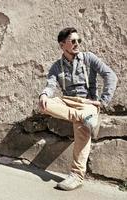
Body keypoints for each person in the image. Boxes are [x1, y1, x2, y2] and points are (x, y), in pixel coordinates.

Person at [39, 27, 117, 191]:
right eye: (73, 41)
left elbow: (110, 75)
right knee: (44, 103)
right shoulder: (56, 67)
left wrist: (102, 102)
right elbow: (50, 85)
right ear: (62, 45)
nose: (77, 44)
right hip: (68, 102)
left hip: (88, 103)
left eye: (78, 40)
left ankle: (76, 176)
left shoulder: (89, 58)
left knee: (82, 126)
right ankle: (82, 116)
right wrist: (44, 95)